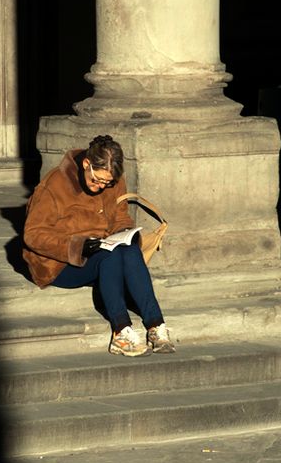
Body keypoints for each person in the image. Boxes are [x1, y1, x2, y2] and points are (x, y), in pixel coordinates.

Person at [22, 135, 175, 357]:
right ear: (86, 164)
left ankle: (155, 325)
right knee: (110, 257)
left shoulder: (113, 179)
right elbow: (33, 235)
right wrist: (77, 247)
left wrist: (125, 234)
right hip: (58, 264)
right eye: (97, 180)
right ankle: (121, 332)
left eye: (107, 183)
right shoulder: (54, 185)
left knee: (130, 250)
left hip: (101, 251)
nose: (101, 186)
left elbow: (120, 217)